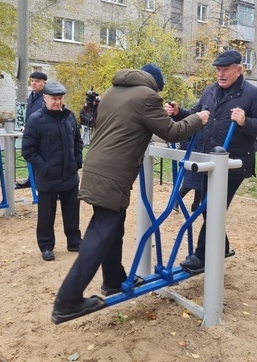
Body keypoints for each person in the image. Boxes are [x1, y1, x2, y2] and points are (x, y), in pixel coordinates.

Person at [51, 64, 210, 324]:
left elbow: (123, 125)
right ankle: (67, 301)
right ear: (155, 85)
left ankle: (114, 280)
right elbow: (171, 132)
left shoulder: (112, 91)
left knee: (113, 227)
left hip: (97, 166)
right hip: (114, 172)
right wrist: (197, 119)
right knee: (101, 232)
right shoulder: (148, 97)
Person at [166, 50, 257, 275]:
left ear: (239, 70)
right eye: (217, 70)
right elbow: (196, 114)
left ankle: (202, 256)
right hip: (210, 161)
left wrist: (245, 121)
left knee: (212, 208)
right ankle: (221, 246)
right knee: (207, 207)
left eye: (225, 70)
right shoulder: (210, 91)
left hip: (234, 163)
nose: (220, 74)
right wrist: (178, 113)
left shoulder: (251, 94)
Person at [22, 82, 84, 261]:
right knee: (46, 214)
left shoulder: (69, 117)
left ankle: (74, 240)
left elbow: (78, 142)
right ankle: (46, 246)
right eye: (53, 99)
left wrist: (77, 161)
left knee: (72, 210)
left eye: (60, 98)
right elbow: (28, 150)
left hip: (70, 174)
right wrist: (44, 168)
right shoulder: (35, 119)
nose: (57, 102)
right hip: (48, 176)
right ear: (45, 98)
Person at [16, 71, 48, 189]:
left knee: (41, 158)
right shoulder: (32, 96)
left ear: (44, 83)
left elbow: (44, 116)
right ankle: (31, 180)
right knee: (30, 154)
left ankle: (40, 183)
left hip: (42, 133)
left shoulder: (46, 96)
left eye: (37, 81)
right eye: (32, 81)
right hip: (30, 132)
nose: (34, 83)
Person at [173, 131, 204, 213]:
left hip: (203, 154)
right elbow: (183, 138)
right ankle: (175, 201)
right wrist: (191, 150)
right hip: (192, 155)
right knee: (188, 183)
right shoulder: (195, 123)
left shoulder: (209, 124)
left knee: (201, 183)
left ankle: (195, 205)